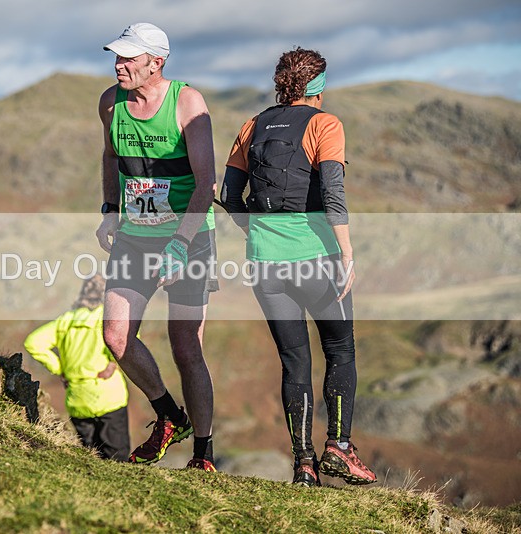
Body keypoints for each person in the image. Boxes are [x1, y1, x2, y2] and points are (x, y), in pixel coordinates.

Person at [220, 47, 377, 487]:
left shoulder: (252, 125)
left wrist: (258, 235)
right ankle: (340, 448)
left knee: (294, 364)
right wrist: (346, 254)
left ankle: (303, 467)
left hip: (266, 266)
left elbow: (232, 197)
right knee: (340, 351)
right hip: (318, 260)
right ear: (317, 88)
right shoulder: (325, 124)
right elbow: (332, 192)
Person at [96, 22, 218, 471]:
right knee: (115, 334)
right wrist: (110, 207)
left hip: (189, 238)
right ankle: (169, 414)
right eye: (117, 56)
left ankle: (203, 455)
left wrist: (181, 245)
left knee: (186, 347)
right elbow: (111, 156)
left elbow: (206, 182)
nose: (119, 65)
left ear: (156, 63)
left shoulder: (187, 102)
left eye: (129, 58)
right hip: (135, 235)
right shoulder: (111, 102)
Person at [24, 274, 130, 461]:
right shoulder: (107, 318)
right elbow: (126, 342)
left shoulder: (65, 320)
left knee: (90, 457)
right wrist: (113, 363)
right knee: (117, 459)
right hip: (109, 396)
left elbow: (33, 342)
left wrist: (60, 368)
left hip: (78, 398)